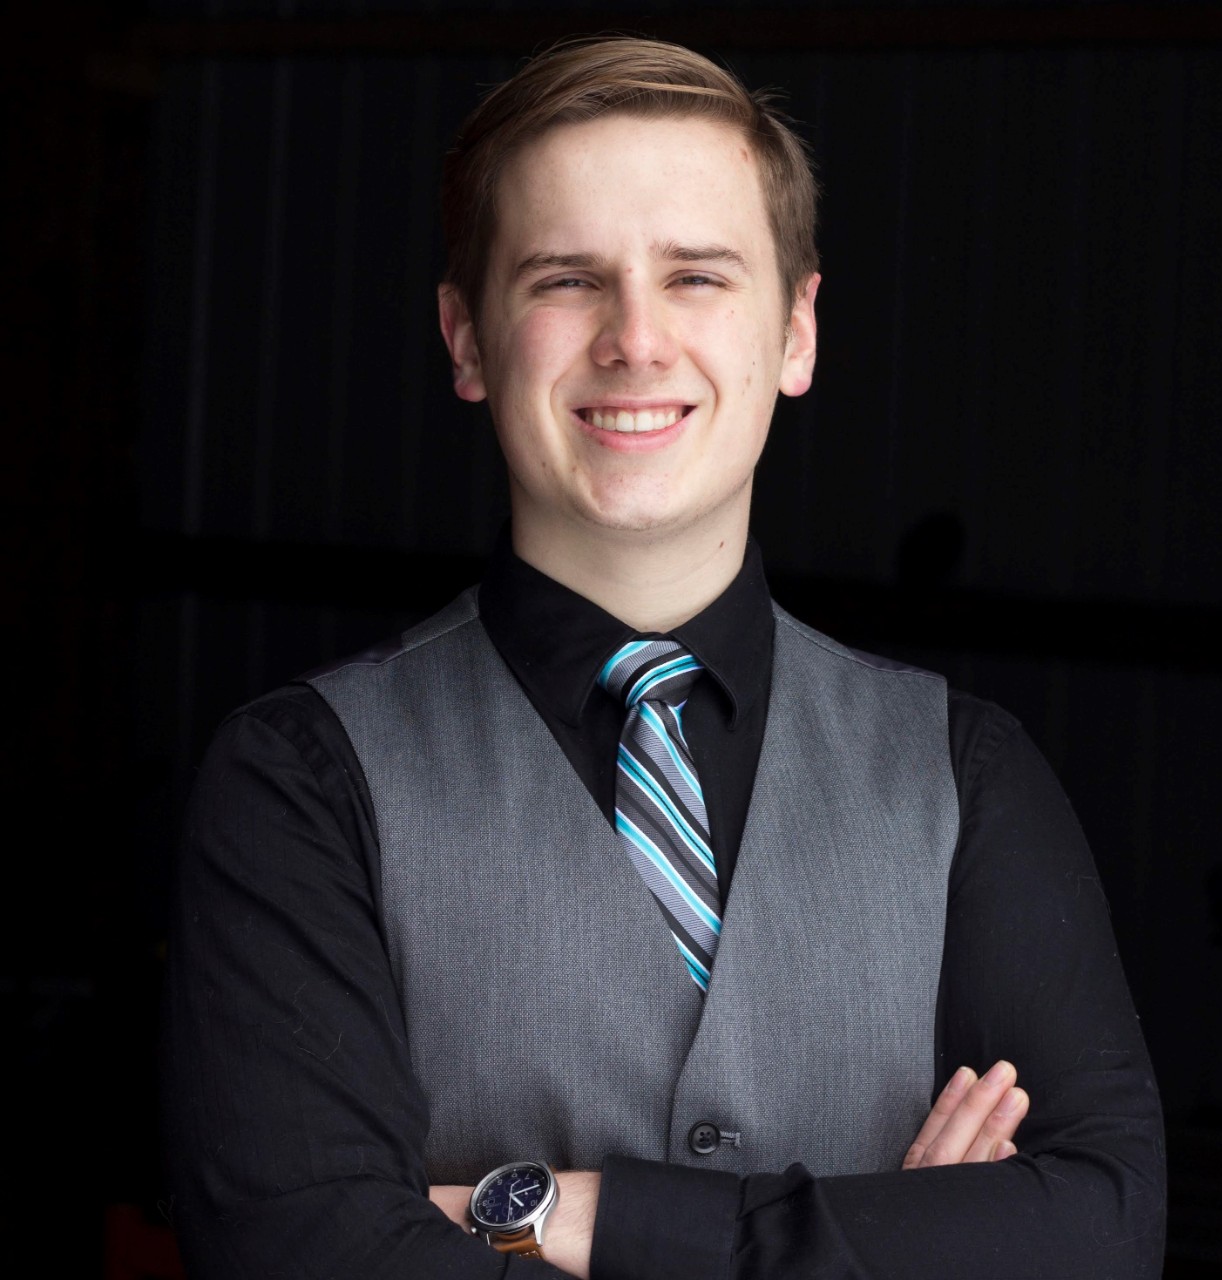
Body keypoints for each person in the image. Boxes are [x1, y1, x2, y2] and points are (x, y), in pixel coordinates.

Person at [163, 36, 1165, 1279]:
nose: (635, 340)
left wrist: (569, 1220)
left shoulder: (966, 773)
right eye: (565, 280)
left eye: (695, 276)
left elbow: (1102, 1228)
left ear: (794, 331)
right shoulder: (298, 783)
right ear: (466, 339)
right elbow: (305, 1255)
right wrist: (901, 1243)